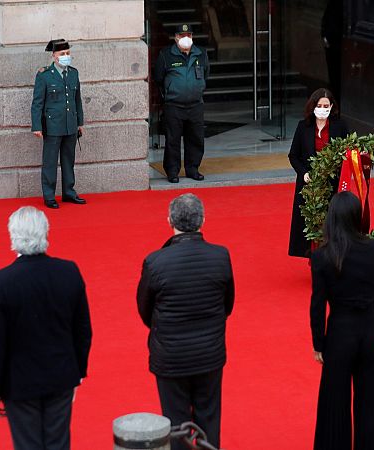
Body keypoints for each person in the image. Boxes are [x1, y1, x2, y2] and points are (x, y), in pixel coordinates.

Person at [0, 206, 92, 450]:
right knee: (59, 443)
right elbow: (83, 330)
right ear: (46, 233)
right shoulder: (69, 272)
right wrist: (78, 372)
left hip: (19, 382)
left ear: (13, 236)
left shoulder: (0, 283)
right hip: (62, 375)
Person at [136, 193, 234, 449]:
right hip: (209, 353)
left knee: (176, 423)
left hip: (171, 356)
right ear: (202, 220)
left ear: (169, 220)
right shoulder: (220, 256)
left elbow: (145, 310)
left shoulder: (155, 262)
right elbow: (227, 305)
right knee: (209, 418)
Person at [310, 191, 374, 450]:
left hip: (339, 335)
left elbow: (318, 304)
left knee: (335, 401)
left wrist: (318, 342)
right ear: (358, 216)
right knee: (371, 402)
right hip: (368, 332)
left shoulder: (322, 256)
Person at [288, 88, 349, 258]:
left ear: (332, 107)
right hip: (309, 184)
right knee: (310, 221)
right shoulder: (303, 126)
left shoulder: (340, 126)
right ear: (313, 106)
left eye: (326, 105)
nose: (323, 108)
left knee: (333, 220)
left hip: (333, 183)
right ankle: (314, 255)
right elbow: (293, 155)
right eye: (319, 105)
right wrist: (303, 173)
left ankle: (334, 255)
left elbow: (349, 151)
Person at [31, 39, 86, 209]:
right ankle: (49, 195)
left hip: (70, 124)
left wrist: (80, 122)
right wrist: (37, 126)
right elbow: (37, 103)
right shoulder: (44, 75)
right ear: (54, 56)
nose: (66, 56)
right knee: (50, 161)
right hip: (53, 126)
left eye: (68, 53)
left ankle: (69, 192)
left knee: (68, 160)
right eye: (62, 54)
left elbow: (77, 100)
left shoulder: (73, 73)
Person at [154, 24, 210, 183]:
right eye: (182, 35)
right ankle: (172, 171)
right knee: (173, 140)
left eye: (189, 35)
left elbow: (206, 75)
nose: (186, 38)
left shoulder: (201, 54)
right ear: (176, 37)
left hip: (195, 105)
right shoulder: (166, 55)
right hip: (174, 105)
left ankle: (193, 169)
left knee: (196, 138)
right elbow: (158, 77)